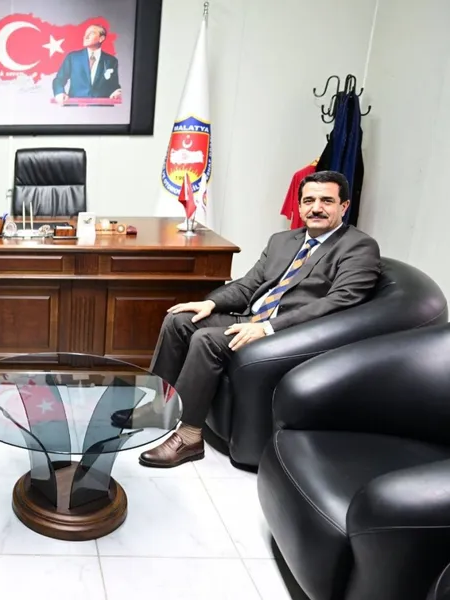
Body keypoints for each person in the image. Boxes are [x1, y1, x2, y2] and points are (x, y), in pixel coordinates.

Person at [114, 171, 381, 467]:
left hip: (292, 334)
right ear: (300, 205)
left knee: (207, 339)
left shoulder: (358, 247)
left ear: (344, 206)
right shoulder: (283, 240)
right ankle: (159, 407)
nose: (316, 208)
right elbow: (249, 285)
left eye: (326, 201)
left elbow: (341, 301)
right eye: (309, 200)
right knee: (180, 319)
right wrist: (210, 303)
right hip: (253, 318)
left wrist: (268, 327)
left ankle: (189, 437)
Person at [51, 24, 122, 104]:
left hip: (101, 108)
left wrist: (116, 92)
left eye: (91, 33)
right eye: (85, 34)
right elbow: (59, 80)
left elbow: (114, 86)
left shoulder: (111, 61)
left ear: (101, 38)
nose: (86, 36)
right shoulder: (73, 57)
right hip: (76, 107)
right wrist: (59, 93)